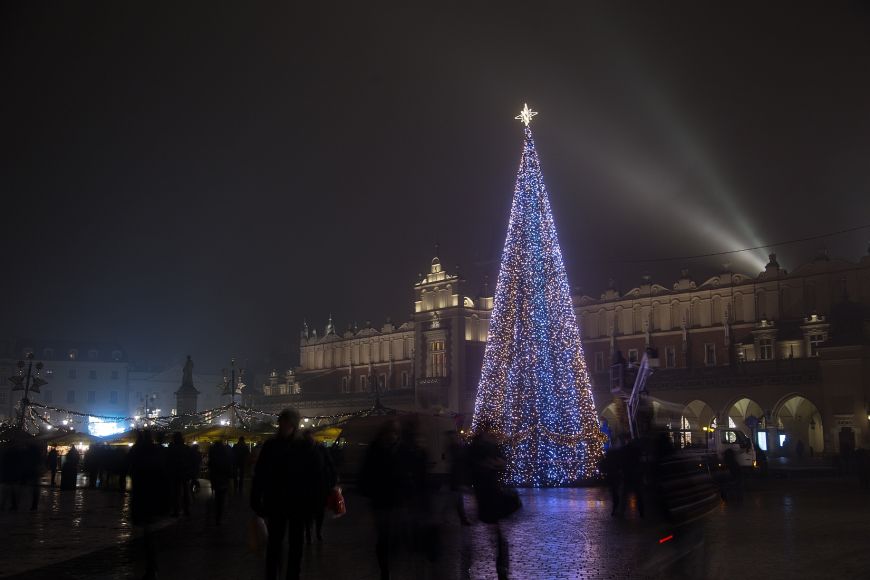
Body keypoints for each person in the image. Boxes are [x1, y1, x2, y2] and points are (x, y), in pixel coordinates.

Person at [251, 408, 320, 580]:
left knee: (296, 544)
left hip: (298, 503)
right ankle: (272, 574)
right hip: (276, 501)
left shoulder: (306, 446)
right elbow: (260, 473)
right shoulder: (271, 445)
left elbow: (315, 475)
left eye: (286, 422)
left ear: (293, 425)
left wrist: (313, 502)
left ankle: (292, 575)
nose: (283, 425)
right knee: (274, 543)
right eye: (281, 421)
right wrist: (256, 498)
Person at [468, 422, 515, 580]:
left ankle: (502, 561)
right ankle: (501, 562)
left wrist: (494, 464)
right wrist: (491, 464)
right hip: (486, 492)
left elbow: (502, 462)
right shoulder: (478, 447)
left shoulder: (490, 445)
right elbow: (477, 466)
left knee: (496, 529)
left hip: (490, 492)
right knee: (495, 529)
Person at [359, 419, 403, 580]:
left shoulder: (399, 449)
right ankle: (385, 569)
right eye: (391, 432)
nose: (393, 436)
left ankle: (389, 565)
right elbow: (366, 474)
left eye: (395, 433)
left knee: (393, 535)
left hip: (395, 500)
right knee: (384, 536)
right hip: (381, 500)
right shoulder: (375, 449)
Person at [128, 430, 171, 580]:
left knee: (145, 532)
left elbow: (129, 468)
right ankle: (151, 565)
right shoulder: (158, 451)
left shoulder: (136, 451)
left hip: (141, 495)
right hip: (155, 495)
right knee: (149, 531)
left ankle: (149, 566)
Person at [302, 431, 336, 544]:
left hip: (319, 485)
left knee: (318, 511)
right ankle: (310, 531)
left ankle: (316, 531)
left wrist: (332, 480)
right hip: (308, 486)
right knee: (308, 512)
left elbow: (330, 465)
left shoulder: (320, 449)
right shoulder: (302, 449)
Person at [208, 441, 233, 526]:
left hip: (215, 480)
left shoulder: (213, 456)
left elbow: (210, 467)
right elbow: (229, 469)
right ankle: (219, 516)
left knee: (218, 498)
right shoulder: (225, 457)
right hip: (223, 480)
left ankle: (217, 516)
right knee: (221, 499)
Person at [167, 432, 191, 517]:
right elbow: (190, 461)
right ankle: (186, 510)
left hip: (175, 473)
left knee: (176, 493)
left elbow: (168, 462)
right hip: (184, 473)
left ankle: (176, 510)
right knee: (185, 492)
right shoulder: (186, 448)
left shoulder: (172, 448)